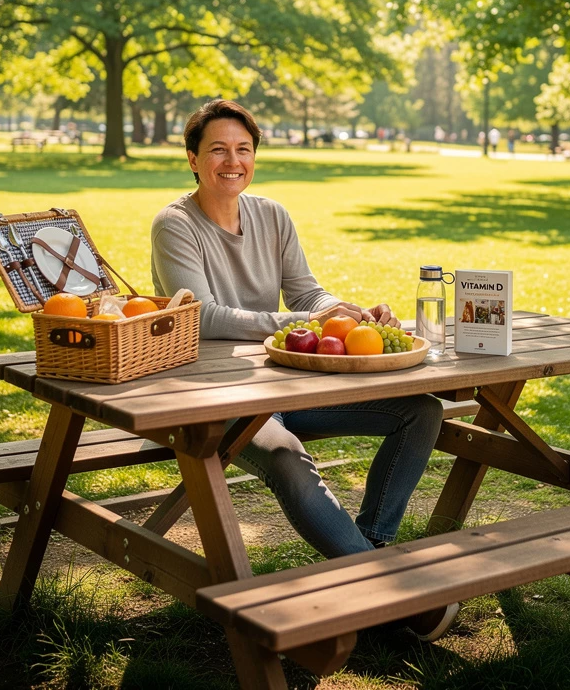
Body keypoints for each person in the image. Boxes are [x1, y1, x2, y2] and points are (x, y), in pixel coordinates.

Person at [150, 100, 454, 637]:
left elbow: (307, 292)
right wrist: (294, 320)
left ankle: (368, 555)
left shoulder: (273, 215)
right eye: (217, 149)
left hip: (286, 384)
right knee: (289, 459)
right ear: (193, 159)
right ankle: (391, 595)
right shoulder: (175, 225)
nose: (232, 161)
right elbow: (201, 316)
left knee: (421, 411)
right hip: (213, 397)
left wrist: (343, 310)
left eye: (243, 149)